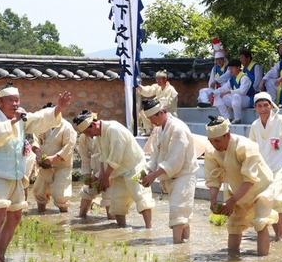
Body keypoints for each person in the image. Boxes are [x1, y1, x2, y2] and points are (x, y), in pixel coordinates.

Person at [0, 83, 72, 262]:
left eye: (17, 100)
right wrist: (12, 122)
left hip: (16, 175)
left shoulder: (21, 119)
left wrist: (58, 108)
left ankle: (1, 255)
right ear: (0, 102)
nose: (15, 103)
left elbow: (39, 119)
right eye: (11, 100)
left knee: (16, 215)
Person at [203, 116, 279, 256]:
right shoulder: (211, 151)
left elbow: (250, 179)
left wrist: (232, 201)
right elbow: (213, 178)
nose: (215, 144)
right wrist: (213, 199)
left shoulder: (246, 146)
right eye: (211, 141)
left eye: (217, 141)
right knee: (234, 225)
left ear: (227, 135)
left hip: (260, 188)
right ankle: (232, 258)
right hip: (236, 190)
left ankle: (263, 260)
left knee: (260, 223)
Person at [73, 110, 155, 229]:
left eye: (87, 131)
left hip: (134, 166)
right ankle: (122, 229)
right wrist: (99, 175)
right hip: (119, 170)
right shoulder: (99, 134)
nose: (88, 136)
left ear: (94, 125)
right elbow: (102, 156)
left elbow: (116, 156)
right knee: (117, 203)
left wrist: (106, 177)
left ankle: (149, 228)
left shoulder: (114, 129)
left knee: (141, 196)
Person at [140, 99, 199, 244]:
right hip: (171, 174)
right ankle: (184, 242)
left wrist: (154, 175)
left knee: (177, 209)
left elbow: (175, 159)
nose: (151, 122)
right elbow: (155, 152)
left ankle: (177, 245)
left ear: (160, 113)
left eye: (152, 118)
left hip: (185, 173)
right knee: (181, 211)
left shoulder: (178, 128)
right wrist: (149, 169)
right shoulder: (159, 129)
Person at [248, 92, 282, 241]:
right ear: (255, 108)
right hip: (265, 169)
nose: (263, 109)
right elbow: (252, 147)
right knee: (267, 199)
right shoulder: (255, 125)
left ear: (271, 105)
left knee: (278, 198)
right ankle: (278, 234)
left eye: (266, 105)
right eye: (259, 106)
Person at [32, 102, 77, 213]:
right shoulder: (42, 125)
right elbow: (36, 140)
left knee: (60, 195)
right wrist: (38, 152)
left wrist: (54, 158)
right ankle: (41, 213)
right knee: (39, 192)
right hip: (44, 164)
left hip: (62, 166)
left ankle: (64, 217)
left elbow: (69, 146)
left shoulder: (67, 127)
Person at [75, 121, 111, 219]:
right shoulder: (83, 138)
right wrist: (87, 175)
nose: (86, 134)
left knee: (108, 197)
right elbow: (85, 158)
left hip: (108, 170)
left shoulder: (104, 134)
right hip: (95, 168)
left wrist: (100, 175)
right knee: (87, 192)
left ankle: (113, 223)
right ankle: (81, 218)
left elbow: (107, 157)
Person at [137, 69, 179, 136]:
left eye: (159, 79)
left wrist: (156, 107)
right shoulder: (157, 87)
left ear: (165, 79)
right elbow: (149, 90)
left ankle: (158, 130)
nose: (158, 81)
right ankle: (150, 130)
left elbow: (167, 104)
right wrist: (140, 88)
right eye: (157, 79)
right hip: (157, 110)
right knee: (144, 112)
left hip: (168, 113)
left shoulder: (171, 89)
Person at [215, 58, 254, 123]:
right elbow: (224, 88)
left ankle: (237, 119)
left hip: (247, 100)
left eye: (232, 68)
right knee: (218, 96)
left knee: (236, 96)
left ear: (238, 68)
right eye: (230, 68)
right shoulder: (231, 79)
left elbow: (243, 91)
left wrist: (229, 91)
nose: (231, 70)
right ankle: (227, 118)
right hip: (237, 100)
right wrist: (213, 93)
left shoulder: (245, 77)